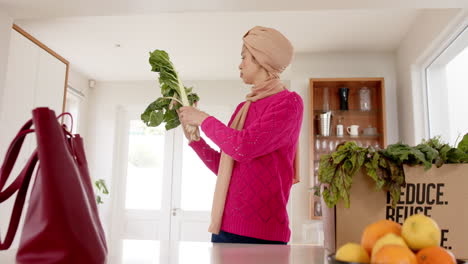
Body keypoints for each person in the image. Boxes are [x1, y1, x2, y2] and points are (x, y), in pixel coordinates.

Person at [178, 26, 303, 244]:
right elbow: (226, 165)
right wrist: (195, 139)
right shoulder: (242, 108)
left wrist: (203, 118)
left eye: (244, 57)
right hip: (224, 229)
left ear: (261, 59)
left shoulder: (288, 103)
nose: (240, 64)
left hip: (261, 236)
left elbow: (243, 147)